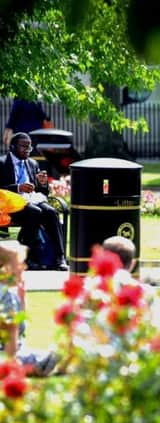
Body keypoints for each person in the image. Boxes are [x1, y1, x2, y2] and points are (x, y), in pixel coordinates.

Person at [0, 133, 67, 271]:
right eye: (23, 146)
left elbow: (41, 193)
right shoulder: (2, 163)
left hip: (31, 200)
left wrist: (42, 184)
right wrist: (18, 188)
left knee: (51, 212)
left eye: (29, 146)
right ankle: (27, 258)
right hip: (9, 204)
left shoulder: (32, 163)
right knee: (34, 212)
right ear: (12, 147)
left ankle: (59, 258)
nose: (27, 149)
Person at [0, 241, 58, 376]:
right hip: (7, 358)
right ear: (3, 267)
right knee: (55, 356)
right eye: (20, 263)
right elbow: (12, 343)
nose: (24, 267)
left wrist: (21, 297)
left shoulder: (9, 293)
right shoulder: (7, 295)